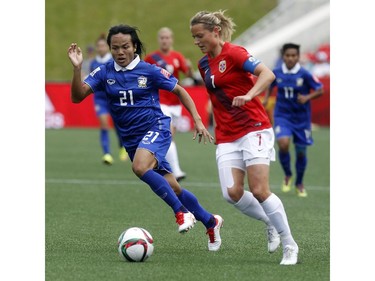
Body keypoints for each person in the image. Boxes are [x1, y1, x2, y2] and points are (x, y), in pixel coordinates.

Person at [67, 24, 224, 251]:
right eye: (115, 48)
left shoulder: (149, 70)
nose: (120, 52)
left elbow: (180, 90)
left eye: (125, 47)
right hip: (132, 140)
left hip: (157, 128)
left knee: (140, 167)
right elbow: (77, 96)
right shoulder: (104, 72)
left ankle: (181, 213)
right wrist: (77, 68)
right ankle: (211, 221)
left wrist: (198, 120)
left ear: (135, 47)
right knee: (173, 186)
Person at [190, 10, 299, 265]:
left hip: (254, 127)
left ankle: (290, 245)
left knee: (260, 190)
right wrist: (206, 123)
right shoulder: (203, 63)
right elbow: (217, 97)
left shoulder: (235, 53)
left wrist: (250, 95)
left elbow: (268, 74)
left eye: (200, 36)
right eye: (193, 37)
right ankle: (269, 221)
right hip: (227, 135)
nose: (196, 41)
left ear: (215, 32)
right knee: (232, 193)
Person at [263, 43, 323, 197]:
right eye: (287, 55)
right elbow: (269, 83)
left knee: (301, 152)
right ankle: (288, 175)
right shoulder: (276, 72)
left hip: (301, 118)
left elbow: (320, 89)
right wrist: (266, 98)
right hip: (282, 115)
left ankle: (299, 182)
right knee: (283, 143)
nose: (290, 58)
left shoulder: (305, 74)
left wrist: (307, 97)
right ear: (283, 56)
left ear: (298, 56)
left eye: (293, 55)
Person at [144, 27, 199, 181]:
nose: (165, 40)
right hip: (161, 102)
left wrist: (189, 67)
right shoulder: (151, 58)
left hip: (175, 103)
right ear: (159, 39)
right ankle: (176, 171)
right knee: (167, 135)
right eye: (162, 37)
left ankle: (156, 164)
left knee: (167, 138)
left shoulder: (177, 57)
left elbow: (188, 75)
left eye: (167, 37)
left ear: (172, 39)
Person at [90, 33, 128, 165]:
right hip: (100, 99)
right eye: (98, 46)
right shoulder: (94, 63)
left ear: (107, 47)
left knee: (118, 125)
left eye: (103, 45)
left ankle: (123, 147)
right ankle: (107, 153)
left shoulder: (113, 61)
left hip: (114, 97)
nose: (101, 48)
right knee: (104, 123)